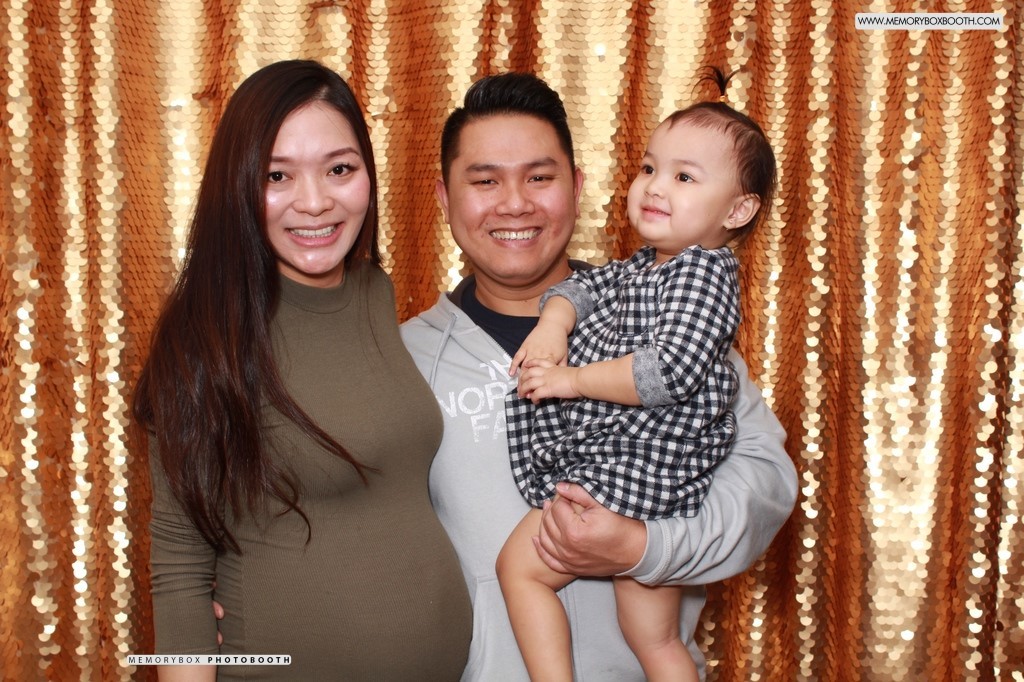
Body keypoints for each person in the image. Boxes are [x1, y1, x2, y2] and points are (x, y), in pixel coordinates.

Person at [399, 72, 796, 681]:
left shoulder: (667, 322)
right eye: (485, 181)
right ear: (445, 198)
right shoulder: (404, 357)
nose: (515, 203)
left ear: (577, 187)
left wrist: (643, 548)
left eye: (539, 177)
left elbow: (766, 491)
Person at [132, 60, 471, 681]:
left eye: (339, 169)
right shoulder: (205, 336)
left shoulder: (373, 291)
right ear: (237, 185)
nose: (314, 202)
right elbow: (180, 562)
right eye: (276, 175)